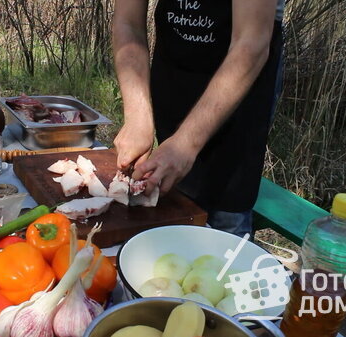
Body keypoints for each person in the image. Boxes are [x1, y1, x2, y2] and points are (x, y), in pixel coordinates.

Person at [112, 0, 284, 237]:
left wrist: (185, 143)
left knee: (226, 206)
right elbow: (128, 23)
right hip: (176, 66)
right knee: (173, 192)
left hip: (241, 79)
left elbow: (251, 43)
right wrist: (137, 115)